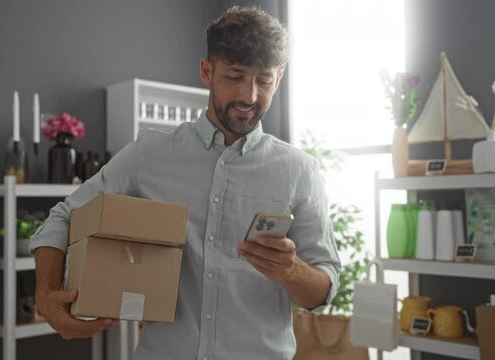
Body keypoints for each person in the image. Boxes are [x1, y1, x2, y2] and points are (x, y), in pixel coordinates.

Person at [30, 5, 340, 359]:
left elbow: (322, 288)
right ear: (207, 72)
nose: (249, 96)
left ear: (279, 79)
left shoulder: (300, 171)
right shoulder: (149, 154)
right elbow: (64, 216)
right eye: (235, 76)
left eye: (264, 81)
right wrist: (46, 294)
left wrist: (292, 271)